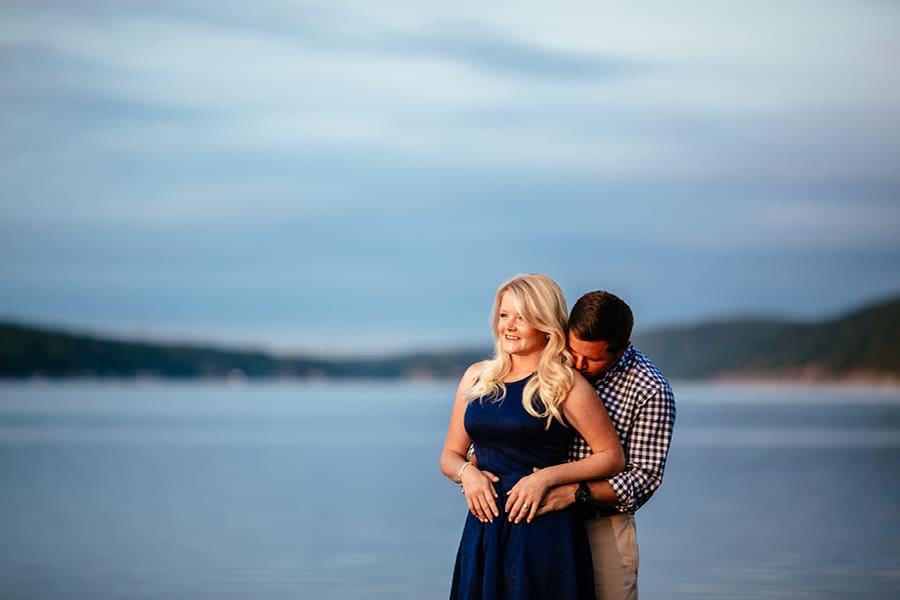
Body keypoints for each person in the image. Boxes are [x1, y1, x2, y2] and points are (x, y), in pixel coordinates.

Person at [440, 274, 626, 600]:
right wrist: (467, 474)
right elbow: (449, 456)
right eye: (504, 315)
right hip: (483, 530)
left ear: (545, 323)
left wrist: (547, 479)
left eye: (522, 317)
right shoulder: (477, 376)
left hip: (542, 527)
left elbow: (611, 457)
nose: (509, 326)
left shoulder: (565, 384)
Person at [535, 290, 676, 600]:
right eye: (574, 352)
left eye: (593, 358)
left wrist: (574, 493)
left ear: (622, 347)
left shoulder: (650, 389)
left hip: (602, 528)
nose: (579, 364)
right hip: (537, 525)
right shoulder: (551, 361)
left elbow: (645, 477)